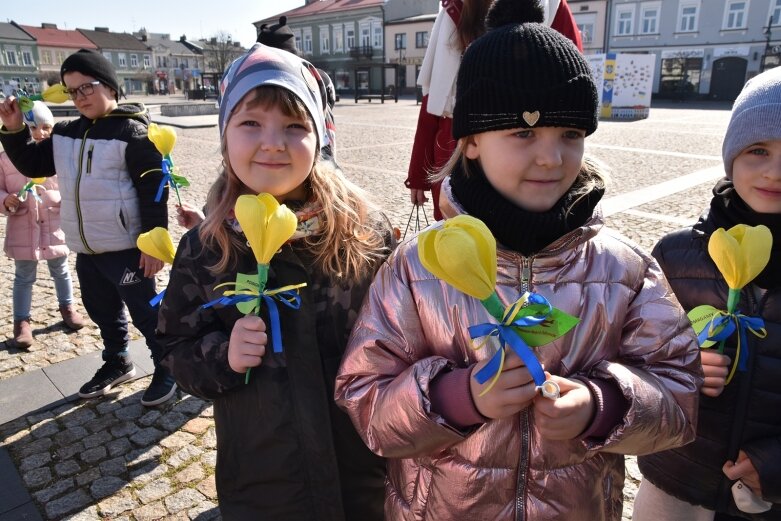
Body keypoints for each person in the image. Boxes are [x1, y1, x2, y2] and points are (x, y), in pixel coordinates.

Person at [335, 3, 703, 519]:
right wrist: (457, 397)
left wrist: (603, 406)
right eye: (524, 133)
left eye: (569, 135)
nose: (551, 158)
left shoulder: (624, 270)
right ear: (472, 143)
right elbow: (365, 398)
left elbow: (679, 394)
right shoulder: (418, 267)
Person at [157, 43, 393, 520]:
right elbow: (172, 347)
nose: (273, 142)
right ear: (225, 136)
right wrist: (222, 355)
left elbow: (405, 335)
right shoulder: (206, 248)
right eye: (250, 124)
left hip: (363, 470)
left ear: (320, 135)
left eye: (294, 126)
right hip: (265, 480)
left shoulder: (365, 233)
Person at [635, 67, 781, 521]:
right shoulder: (677, 254)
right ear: (731, 154)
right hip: (674, 482)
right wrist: (679, 364)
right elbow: (632, 356)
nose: (775, 172)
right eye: (758, 150)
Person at [0, 49, 176, 406]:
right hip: (86, 247)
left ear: (109, 85)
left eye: (86, 87)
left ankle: (167, 366)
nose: (79, 97)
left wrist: (154, 245)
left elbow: (153, 191)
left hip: (128, 248)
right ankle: (118, 361)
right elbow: (32, 162)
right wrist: (15, 129)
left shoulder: (135, 133)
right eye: (71, 91)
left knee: (146, 311)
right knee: (101, 310)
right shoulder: (65, 133)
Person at [405, 0, 582, 221]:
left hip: (528, 142)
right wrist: (418, 174)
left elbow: (575, 100)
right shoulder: (452, 13)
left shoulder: (552, 6)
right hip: (453, 149)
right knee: (459, 239)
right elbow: (432, 102)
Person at [1, 101, 85, 349]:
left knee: (61, 270)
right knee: (23, 276)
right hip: (23, 227)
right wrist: (6, 200)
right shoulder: (6, 159)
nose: (40, 133)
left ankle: (67, 307)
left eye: (46, 127)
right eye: (32, 128)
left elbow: (71, 186)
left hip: (54, 226)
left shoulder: (57, 157)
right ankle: (21, 321)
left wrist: (63, 199)